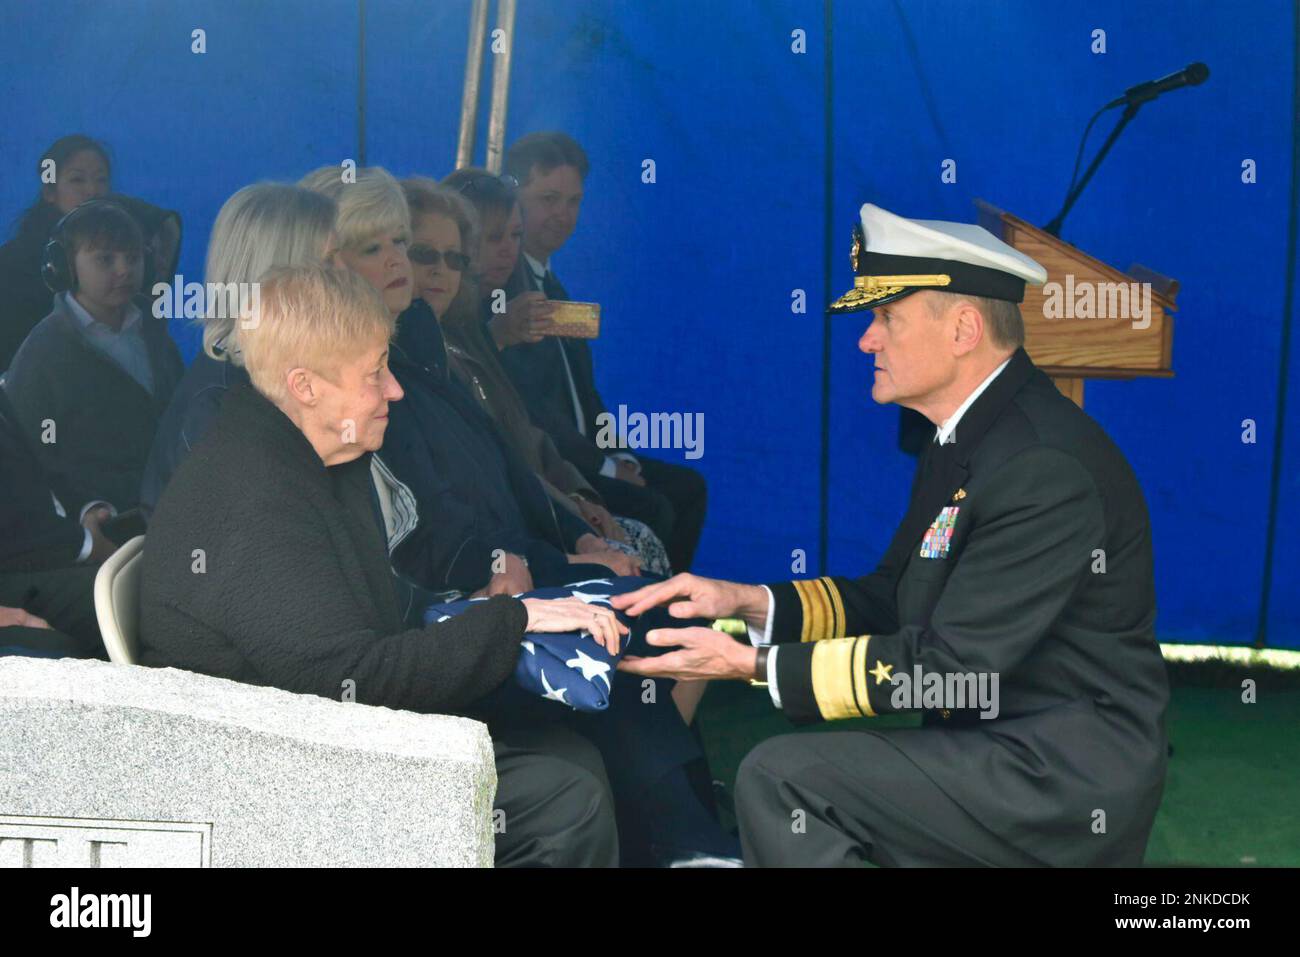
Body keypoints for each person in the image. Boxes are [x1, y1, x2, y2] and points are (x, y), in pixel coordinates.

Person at [612, 203, 1170, 867]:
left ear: (963, 328)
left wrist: (747, 664)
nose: (866, 340)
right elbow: (892, 596)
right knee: (793, 779)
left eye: (886, 318)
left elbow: (953, 672)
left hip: (1058, 775)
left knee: (785, 780)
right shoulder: (967, 436)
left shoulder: (1040, 466)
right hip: (1006, 746)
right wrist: (742, 601)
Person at [138, 264, 622, 867]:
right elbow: (349, 682)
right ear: (306, 387)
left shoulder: (307, 457)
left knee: (573, 755)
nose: (395, 390)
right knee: (565, 797)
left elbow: (373, 626)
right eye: (375, 374)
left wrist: (505, 612)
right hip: (272, 782)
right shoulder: (256, 496)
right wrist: (511, 621)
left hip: (316, 740)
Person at [298, 165, 632, 595]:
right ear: (328, 262)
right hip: (488, 594)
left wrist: (576, 529)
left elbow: (511, 454)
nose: (400, 260)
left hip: (521, 564)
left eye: (401, 243)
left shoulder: (436, 346)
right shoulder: (368, 373)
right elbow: (436, 534)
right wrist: (566, 560)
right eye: (422, 252)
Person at [411, 174, 671, 578]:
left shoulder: (513, 308)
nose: (507, 251)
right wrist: (573, 510)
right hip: (504, 529)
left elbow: (538, 423)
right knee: (641, 543)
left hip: (534, 503)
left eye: (454, 258)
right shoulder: (430, 348)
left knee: (656, 524)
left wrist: (582, 493)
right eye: (425, 255)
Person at [497, 133, 709, 573]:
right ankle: (646, 624)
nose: (562, 214)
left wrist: (621, 456)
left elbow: (584, 398)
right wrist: (606, 469)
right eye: (549, 198)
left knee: (688, 488)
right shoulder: (502, 289)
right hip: (550, 465)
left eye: (573, 202)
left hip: (588, 452)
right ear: (513, 195)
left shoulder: (554, 286)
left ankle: (678, 609)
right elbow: (535, 408)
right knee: (654, 507)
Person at [139, 183, 339, 511]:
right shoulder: (222, 406)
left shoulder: (271, 377)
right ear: (276, 273)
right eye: (329, 263)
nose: (347, 276)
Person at [4, 200, 183, 513]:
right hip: (102, 521)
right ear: (64, 267)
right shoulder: (43, 352)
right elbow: (27, 456)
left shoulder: (154, 332)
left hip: (169, 504)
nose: (124, 269)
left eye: (133, 257)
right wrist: (83, 511)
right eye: (105, 259)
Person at [0, 387, 112, 659]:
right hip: (17, 561)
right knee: (115, 601)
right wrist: (87, 543)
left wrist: (86, 508)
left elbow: (36, 464)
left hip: (49, 539)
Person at [0, 135, 112, 371]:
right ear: (49, 192)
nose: (93, 191)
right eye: (77, 180)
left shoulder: (119, 255)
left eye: (101, 180)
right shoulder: (14, 262)